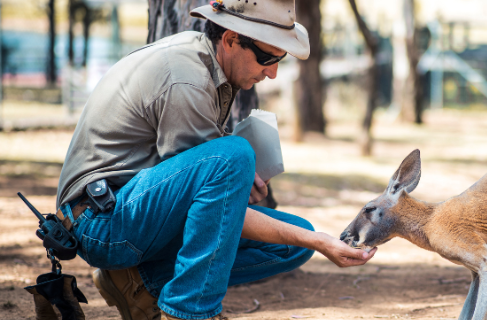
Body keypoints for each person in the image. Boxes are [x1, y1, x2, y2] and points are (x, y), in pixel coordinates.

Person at [54, 0, 376, 319]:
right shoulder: (188, 79)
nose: (273, 73)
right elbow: (212, 182)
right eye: (266, 57)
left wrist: (236, 190)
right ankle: (189, 310)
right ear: (231, 39)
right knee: (236, 158)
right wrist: (320, 240)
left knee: (294, 240)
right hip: (100, 224)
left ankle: (140, 283)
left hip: (129, 211)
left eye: (280, 59)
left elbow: (203, 208)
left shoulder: (212, 64)